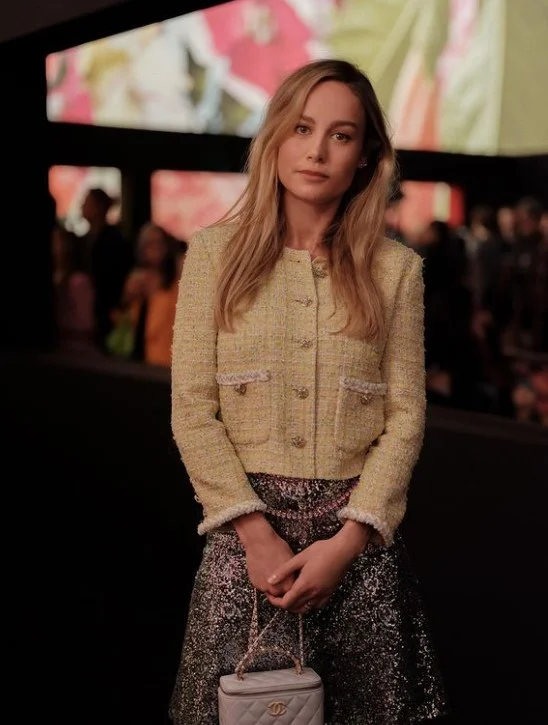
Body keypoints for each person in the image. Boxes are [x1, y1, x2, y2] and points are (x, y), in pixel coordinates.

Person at [170, 59, 447, 725]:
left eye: (341, 135)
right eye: (302, 127)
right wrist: (254, 532)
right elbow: (192, 409)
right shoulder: (213, 255)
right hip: (245, 545)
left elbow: (405, 416)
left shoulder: (395, 271)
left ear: (366, 157)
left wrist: (349, 541)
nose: (317, 150)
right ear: (276, 139)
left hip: (357, 550)